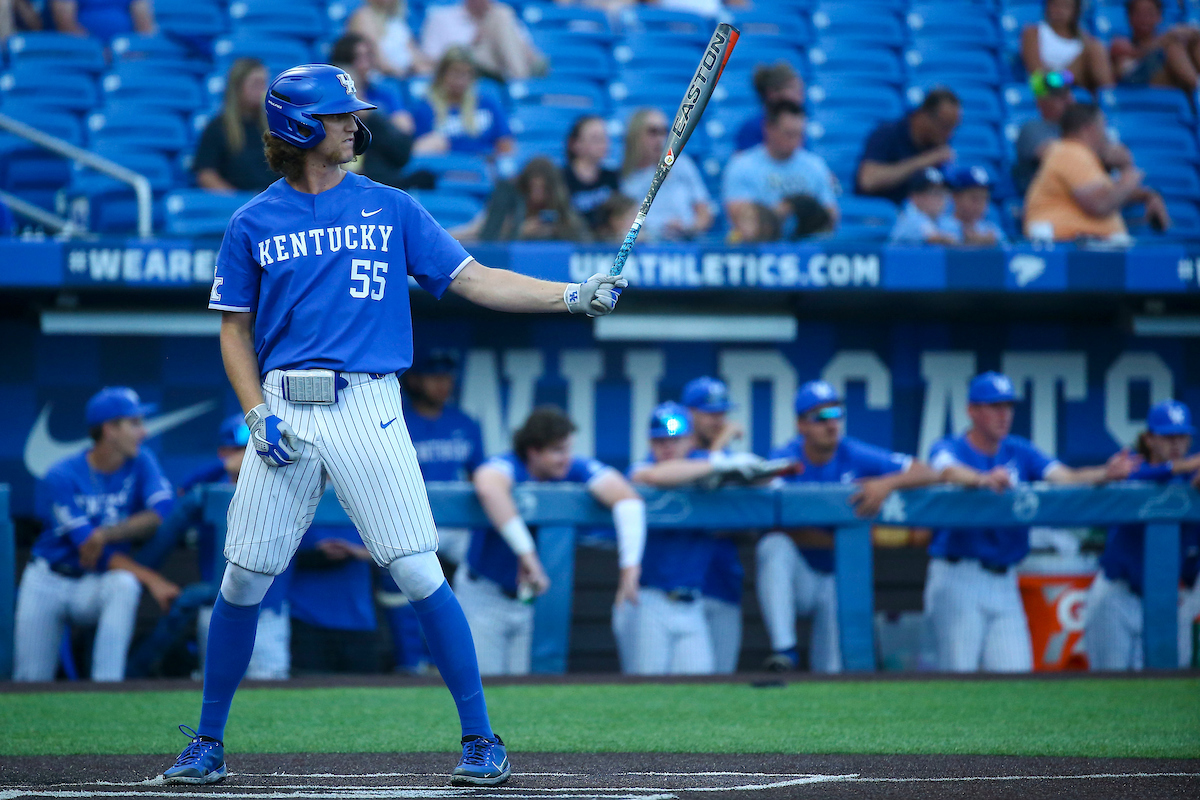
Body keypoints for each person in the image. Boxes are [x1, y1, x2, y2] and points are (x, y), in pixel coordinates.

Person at [162, 63, 628, 787]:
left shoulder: (392, 207)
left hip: (367, 401)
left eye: (352, 114)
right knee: (244, 579)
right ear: (297, 127)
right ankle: (208, 744)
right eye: (338, 115)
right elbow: (234, 330)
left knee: (415, 567)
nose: (354, 124)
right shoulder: (251, 220)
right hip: (282, 405)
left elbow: (473, 278)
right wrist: (254, 413)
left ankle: (481, 739)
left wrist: (570, 294)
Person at [927, 371, 1138, 673]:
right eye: (993, 406)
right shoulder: (950, 446)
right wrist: (981, 480)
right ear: (972, 410)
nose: (1003, 414)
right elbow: (944, 471)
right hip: (959, 574)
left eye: (1008, 406)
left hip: (1005, 580)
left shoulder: (1019, 450)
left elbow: (1064, 477)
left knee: (1017, 675)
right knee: (958, 679)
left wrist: (1105, 473)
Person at [760, 381, 938, 673]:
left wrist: (886, 483)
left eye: (836, 414)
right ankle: (785, 650)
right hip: (799, 576)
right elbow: (776, 523)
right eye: (820, 417)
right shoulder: (785, 458)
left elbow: (928, 471)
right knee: (773, 546)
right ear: (801, 425)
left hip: (837, 578)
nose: (831, 424)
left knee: (832, 669)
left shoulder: (853, 453)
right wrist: (843, 540)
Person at [461, 406, 646, 675]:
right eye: (558, 450)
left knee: (520, 691)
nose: (567, 459)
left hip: (528, 599)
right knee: (482, 686)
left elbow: (627, 498)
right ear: (534, 451)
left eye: (568, 449)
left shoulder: (571, 468)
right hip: (484, 594)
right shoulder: (510, 464)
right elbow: (487, 485)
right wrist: (528, 556)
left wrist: (630, 565)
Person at [13, 387, 180, 682]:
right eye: (135, 423)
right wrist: (152, 578)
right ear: (109, 429)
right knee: (31, 680)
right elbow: (87, 545)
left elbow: (163, 512)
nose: (143, 432)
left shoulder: (142, 461)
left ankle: (107, 685)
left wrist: (104, 534)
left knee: (124, 585)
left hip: (94, 584)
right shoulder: (61, 474)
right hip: (47, 581)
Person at [129, 414, 292, 681]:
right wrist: (226, 468)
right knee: (216, 688)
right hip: (216, 608)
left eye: (253, 448)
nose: (248, 456)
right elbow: (179, 503)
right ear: (223, 452)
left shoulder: (283, 481)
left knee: (270, 689)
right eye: (240, 449)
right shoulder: (205, 485)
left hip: (268, 612)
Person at [381, 349, 484, 674]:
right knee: (400, 579)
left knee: (482, 569)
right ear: (414, 380)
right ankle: (411, 663)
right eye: (434, 377)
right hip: (408, 520)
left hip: (454, 526)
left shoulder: (464, 422)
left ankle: (464, 656)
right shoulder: (398, 420)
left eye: (447, 377)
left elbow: (479, 474)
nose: (443, 384)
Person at [1083, 399, 1200, 670]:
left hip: (1166, 599)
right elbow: (1141, 475)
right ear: (1149, 439)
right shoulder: (1132, 468)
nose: (1176, 444)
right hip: (1116, 595)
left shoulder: (1191, 482)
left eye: (1182, 436)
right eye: (1168, 436)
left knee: (1163, 690)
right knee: (1108, 688)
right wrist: (1182, 467)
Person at [1024, 103, 1170, 242]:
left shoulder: (1083, 157)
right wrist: (1128, 180)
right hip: (1065, 247)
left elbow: (1105, 192)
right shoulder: (1069, 152)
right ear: (1088, 129)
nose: (1106, 136)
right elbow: (1098, 204)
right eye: (1103, 127)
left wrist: (1147, 195)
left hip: (1087, 246)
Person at [681, 376, 744, 673]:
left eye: (722, 413)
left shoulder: (729, 458)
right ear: (689, 413)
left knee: (721, 682)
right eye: (710, 413)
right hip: (680, 587)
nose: (719, 420)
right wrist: (720, 445)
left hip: (724, 582)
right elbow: (704, 476)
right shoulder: (673, 451)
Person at [722, 101, 839, 242]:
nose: (795, 141)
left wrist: (811, 211)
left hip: (806, 245)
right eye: (789, 134)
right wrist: (787, 209)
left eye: (800, 135)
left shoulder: (815, 165)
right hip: (757, 248)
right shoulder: (742, 165)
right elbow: (740, 218)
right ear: (769, 129)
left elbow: (831, 217)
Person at [1012, 69, 1136, 196]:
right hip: (1053, 202)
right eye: (1059, 97)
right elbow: (1055, 155)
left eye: (1068, 94)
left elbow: (1117, 156)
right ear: (1041, 102)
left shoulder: (1080, 129)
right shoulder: (1032, 128)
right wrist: (1102, 154)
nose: (1068, 100)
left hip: (1090, 199)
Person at [288, 523, 379, 674]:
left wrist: (353, 551)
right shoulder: (294, 507)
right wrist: (314, 554)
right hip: (305, 617)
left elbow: (400, 550)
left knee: (363, 687)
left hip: (358, 619)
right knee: (310, 685)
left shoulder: (367, 507)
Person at [620, 108, 714, 242]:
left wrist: (689, 228)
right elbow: (624, 223)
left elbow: (704, 213)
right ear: (635, 135)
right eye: (652, 132)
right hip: (647, 246)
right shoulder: (624, 178)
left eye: (664, 131)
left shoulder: (683, 165)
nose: (660, 139)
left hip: (688, 242)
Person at [856, 88, 961, 205]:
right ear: (923, 116)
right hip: (878, 215)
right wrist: (924, 161)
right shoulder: (888, 134)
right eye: (945, 126)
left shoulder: (939, 143)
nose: (950, 134)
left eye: (954, 127)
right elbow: (868, 181)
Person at [411, 48, 515, 158]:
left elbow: (505, 144)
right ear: (442, 74)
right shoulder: (426, 109)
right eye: (455, 73)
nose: (460, 80)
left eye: (466, 74)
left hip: (485, 167)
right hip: (447, 170)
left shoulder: (487, 104)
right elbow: (422, 152)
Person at [194, 59, 276, 194]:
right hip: (234, 208)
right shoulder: (217, 128)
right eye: (256, 83)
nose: (262, 90)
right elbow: (206, 174)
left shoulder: (275, 127)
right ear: (237, 87)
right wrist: (238, 202)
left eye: (264, 83)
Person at [468, 156, 591, 241]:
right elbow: (488, 237)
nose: (537, 195)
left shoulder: (560, 207)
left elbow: (583, 238)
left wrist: (556, 230)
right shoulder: (510, 205)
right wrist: (519, 231)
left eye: (543, 188)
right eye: (534, 187)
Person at [420, 0, 544, 82]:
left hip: (501, 67)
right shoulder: (441, 18)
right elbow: (431, 60)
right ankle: (521, 82)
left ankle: (519, 80)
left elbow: (527, 52)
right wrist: (473, 43)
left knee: (502, 14)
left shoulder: (501, 16)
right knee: (502, 15)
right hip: (466, 69)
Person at [1021, 0, 1114, 92]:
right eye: (1055, 5)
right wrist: (1070, 74)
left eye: (1066, 6)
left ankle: (1109, 98)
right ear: (1047, 6)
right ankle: (1110, 99)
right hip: (1047, 84)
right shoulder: (1034, 32)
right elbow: (1037, 76)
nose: (1059, 10)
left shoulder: (1082, 37)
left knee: (1103, 50)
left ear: (1075, 10)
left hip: (1077, 85)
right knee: (1095, 49)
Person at [1112, 0, 1200, 92]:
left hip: (1163, 80)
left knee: (1195, 42)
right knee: (1173, 48)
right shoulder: (1121, 41)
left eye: (1150, 13)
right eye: (1139, 14)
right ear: (1129, 17)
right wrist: (1168, 37)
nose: (1144, 19)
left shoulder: (1165, 39)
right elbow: (1138, 52)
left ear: (1159, 17)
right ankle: (1197, 85)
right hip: (1135, 84)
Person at [563, 114, 620, 234]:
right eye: (596, 138)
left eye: (604, 137)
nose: (603, 143)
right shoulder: (561, 178)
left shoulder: (612, 177)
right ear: (575, 144)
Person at [346, 0, 431, 78]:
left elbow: (414, 54)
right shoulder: (363, 17)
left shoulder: (396, 19)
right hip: (383, 77)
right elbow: (377, 60)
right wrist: (405, 73)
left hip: (405, 73)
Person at [734, 61, 805, 153]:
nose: (800, 95)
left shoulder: (798, 122)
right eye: (793, 89)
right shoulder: (752, 128)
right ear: (772, 93)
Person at [940, 166, 1007, 246]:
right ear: (956, 197)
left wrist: (993, 243)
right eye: (974, 198)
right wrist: (963, 242)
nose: (980, 204)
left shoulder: (990, 229)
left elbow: (1009, 249)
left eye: (984, 198)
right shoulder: (941, 226)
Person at [889, 167, 957, 245]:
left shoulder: (945, 220)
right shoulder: (909, 218)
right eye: (935, 193)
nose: (941, 199)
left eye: (944, 193)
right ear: (915, 197)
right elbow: (934, 238)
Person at [51, 0, 155, 41]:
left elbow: (145, 27)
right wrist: (97, 50)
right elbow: (66, 25)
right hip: (82, 53)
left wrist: (133, 47)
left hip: (125, 54)